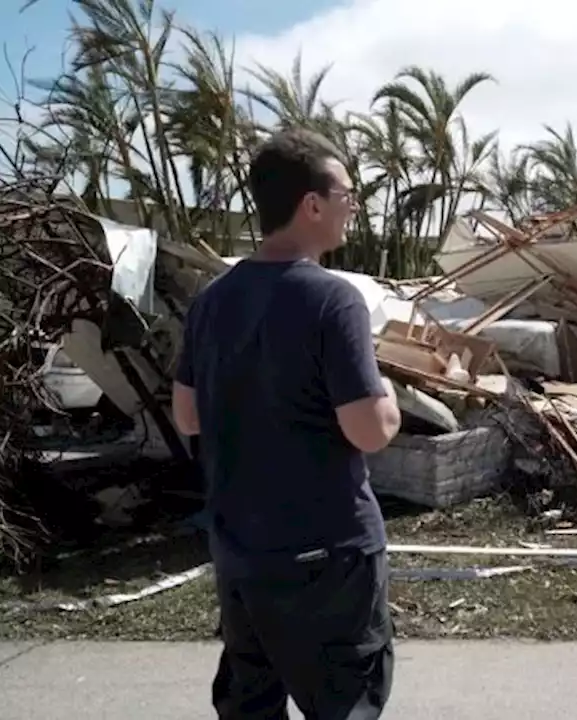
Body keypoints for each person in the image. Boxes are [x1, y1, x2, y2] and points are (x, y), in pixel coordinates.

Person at [171, 128, 402, 719]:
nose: (354, 207)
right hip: (329, 559)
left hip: (241, 556)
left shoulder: (211, 301)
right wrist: (389, 398)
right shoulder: (333, 300)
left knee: (252, 704)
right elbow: (369, 431)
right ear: (312, 204)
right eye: (348, 194)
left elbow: (187, 416)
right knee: (345, 703)